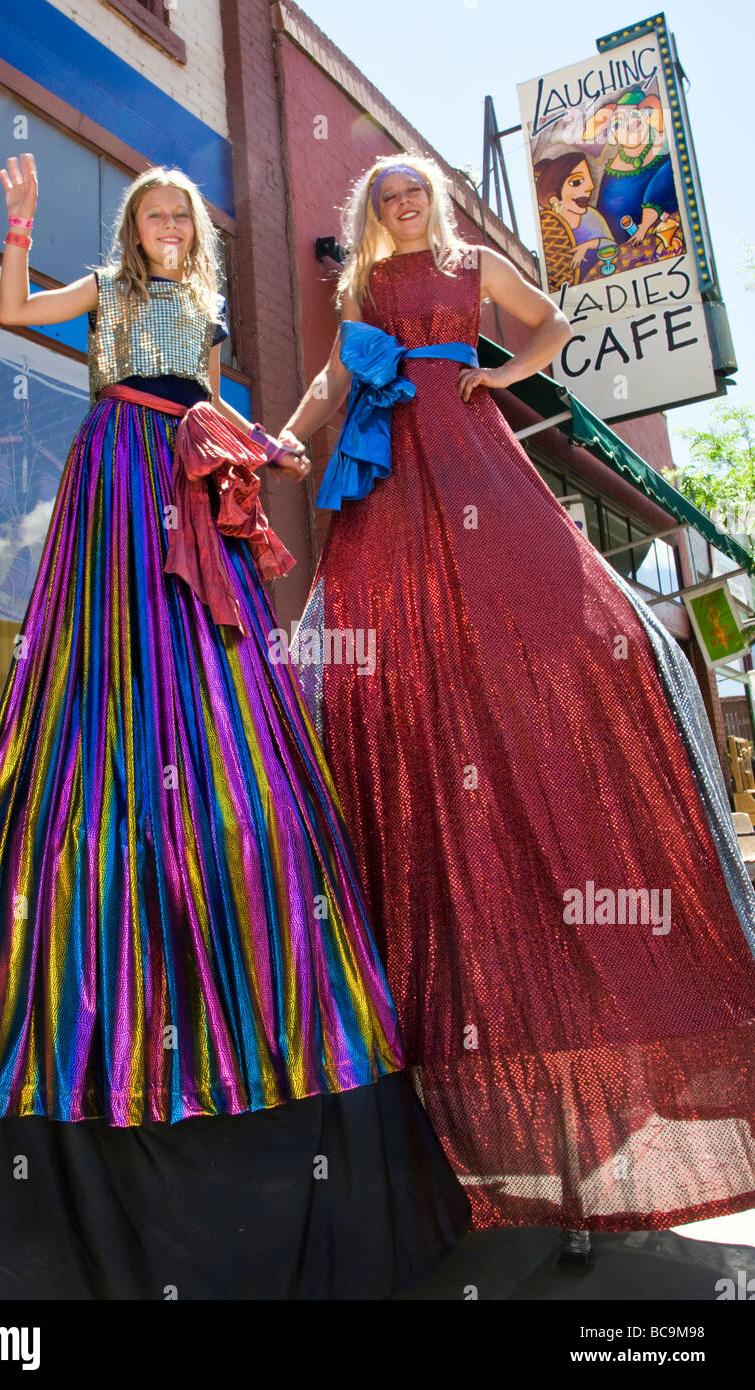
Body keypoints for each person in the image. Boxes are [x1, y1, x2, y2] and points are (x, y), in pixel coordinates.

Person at [0, 154, 471, 1300]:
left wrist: (268, 446)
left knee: (216, 679)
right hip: (116, 474)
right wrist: (14, 224)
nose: (166, 226)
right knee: (105, 666)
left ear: (192, 236)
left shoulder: (204, 309)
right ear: (130, 227)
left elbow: (217, 405)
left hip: (188, 476)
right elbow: (10, 310)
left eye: (179, 216)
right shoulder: (101, 291)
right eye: (152, 213)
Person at [277, 152, 755, 1257]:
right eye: (384, 199)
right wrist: (289, 440)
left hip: (470, 456)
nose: (401, 207)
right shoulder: (361, 291)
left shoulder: (471, 262)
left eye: (412, 195)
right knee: (368, 661)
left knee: (579, 628)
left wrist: (501, 375)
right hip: (389, 476)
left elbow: (551, 327)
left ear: (432, 203)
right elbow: (331, 384)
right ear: (367, 213)